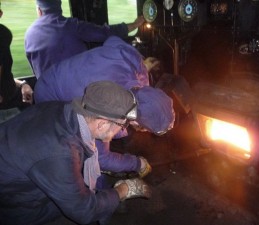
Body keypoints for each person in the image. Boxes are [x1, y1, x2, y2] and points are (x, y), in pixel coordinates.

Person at [0, 81, 152, 225]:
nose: (124, 129)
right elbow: (84, 211)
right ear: (101, 124)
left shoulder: (65, 109)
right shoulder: (60, 153)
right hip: (12, 202)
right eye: (122, 124)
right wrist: (123, 190)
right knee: (72, 207)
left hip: (18, 165)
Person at [34, 35, 175, 189]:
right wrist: (138, 163)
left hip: (58, 72)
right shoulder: (107, 106)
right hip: (50, 97)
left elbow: (112, 40)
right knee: (89, 151)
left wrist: (143, 71)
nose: (141, 130)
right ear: (133, 119)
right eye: (143, 127)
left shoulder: (134, 62)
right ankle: (99, 194)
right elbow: (102, 158)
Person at [25, 0, 145, 79]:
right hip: (74, 93)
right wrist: (134, 25)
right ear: (59, 8)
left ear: (39, 10)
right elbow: (104, 32)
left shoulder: (29, 34)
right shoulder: (70, 25)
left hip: (46, 96)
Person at [0, 2, 33, 123]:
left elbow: (5, 75)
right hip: (6, 110)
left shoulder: (3, 34)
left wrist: (23, 84)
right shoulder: (2, 35)